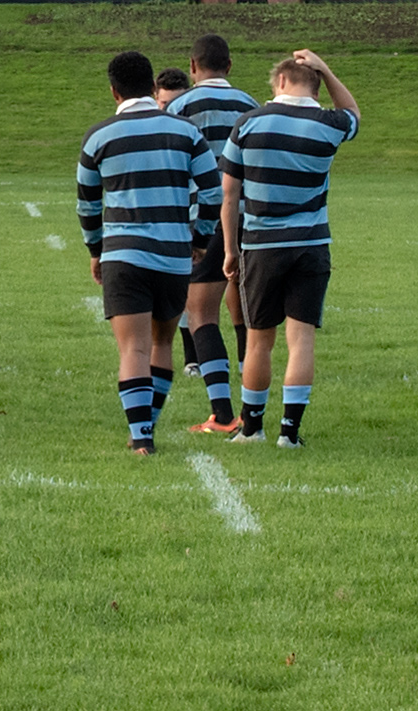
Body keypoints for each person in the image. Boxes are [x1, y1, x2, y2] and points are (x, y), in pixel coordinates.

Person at [213, 49, 355, 445]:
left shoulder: (248, 123)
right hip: (310, 243)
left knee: (259, 339)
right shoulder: (328, 123)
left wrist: (229, 249)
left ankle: (252, 428)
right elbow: (353, 112)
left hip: (261, 245)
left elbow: (229, 196)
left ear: (279, 82)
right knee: (301, 339)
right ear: (315, 86)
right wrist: (327, 68)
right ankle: (289, 433)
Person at [72, 47, 204, 455]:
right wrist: (200, 240)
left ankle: (141, 437)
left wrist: (96, 248)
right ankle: (148, 425)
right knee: (162, 344)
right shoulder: (186, 132)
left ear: (114, 93)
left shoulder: (98, 137)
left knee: (133, 348)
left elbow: (87, 205)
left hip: (123, 254)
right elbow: (212, 191)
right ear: (152, 87)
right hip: (172, 253)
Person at [165, 38, 256, 432]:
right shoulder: (252, 106)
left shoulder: (178, 109)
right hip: (249, 218)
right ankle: (254, 409)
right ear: (230, 65)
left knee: (201, 312)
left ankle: (221, 413)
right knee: (250, 314)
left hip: (202, 219)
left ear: (193, 65)